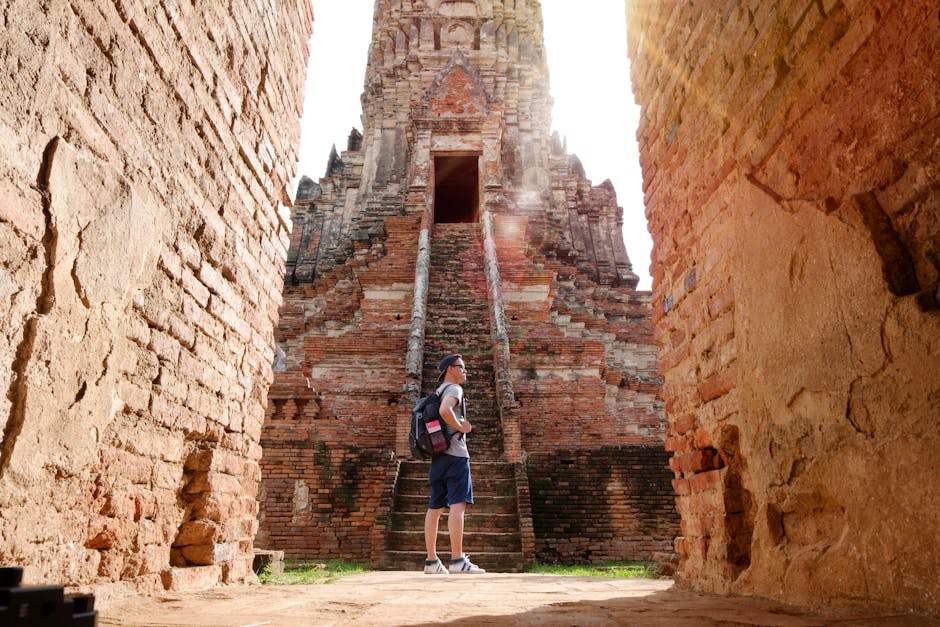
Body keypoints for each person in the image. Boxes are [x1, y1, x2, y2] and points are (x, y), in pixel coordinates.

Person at [423, 353, 486, 574]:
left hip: (438, 456)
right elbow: (444, 411)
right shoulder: (453, 390)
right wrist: (462, 426)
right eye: (462, 367)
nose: (465, 371)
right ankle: (458, 560)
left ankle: (431, 562)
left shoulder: (436, 392)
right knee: (458, 504)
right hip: (456, 455)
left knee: (435, 507)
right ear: (451, 368)